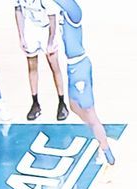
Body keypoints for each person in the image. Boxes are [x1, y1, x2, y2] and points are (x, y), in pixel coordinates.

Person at [45, 0, 114, 164]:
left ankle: (106, 152)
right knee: (73, 106)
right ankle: (97, 128)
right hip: (73, 67)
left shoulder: (75, 14)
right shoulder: (62, 13)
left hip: (80, 68)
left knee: (90, 113)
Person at [15, 0, 67, 122]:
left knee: (54, 65)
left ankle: (62, 103)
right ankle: (35, 103)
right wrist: (21, 36)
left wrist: (50, 42)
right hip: (31, 26)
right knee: (31, 66)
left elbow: (53, 18)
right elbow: (18, 11)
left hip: (48, 27)